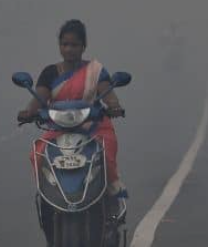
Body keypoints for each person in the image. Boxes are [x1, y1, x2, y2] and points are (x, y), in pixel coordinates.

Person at [17, 19, 127, 245]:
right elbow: (38, 99)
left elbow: (108, 95)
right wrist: (28, 112)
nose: (69, 49)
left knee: (105, 152)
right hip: (58, 129)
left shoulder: (95, 72)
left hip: (94, 128)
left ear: (83, 46)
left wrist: (114, 106)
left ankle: (112, 196)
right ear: (59, 46)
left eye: (74, 45)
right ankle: (48, 196)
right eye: (65, 44)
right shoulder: (50, 72)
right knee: (38, 153)